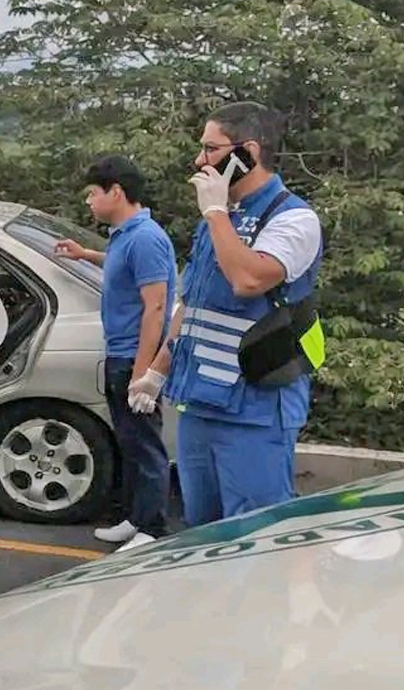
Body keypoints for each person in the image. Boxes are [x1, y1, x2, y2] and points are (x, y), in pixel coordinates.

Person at [133, 101, 325, 527]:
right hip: (201, 400)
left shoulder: (293, 218)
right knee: (202, 530)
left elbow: (248, 280)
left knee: (255, 534)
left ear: (248, 152)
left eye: (211, 149)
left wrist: (216, 213)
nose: (200, 161)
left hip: (254, 408)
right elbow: (193, 303)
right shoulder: (217, 221)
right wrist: (158, 371)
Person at [55, 155, 175, 552]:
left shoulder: (147, 237)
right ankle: (134, 518)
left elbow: (155, 306)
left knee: (145, 445)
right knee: (128, 442)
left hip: (133, 357)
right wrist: (85, 255)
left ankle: (152, 528)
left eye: (93, 193)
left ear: (116, 192)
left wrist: (144, 372)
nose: (89, 201)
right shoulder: (125, 235)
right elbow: (123, 268)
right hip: (119, 352)